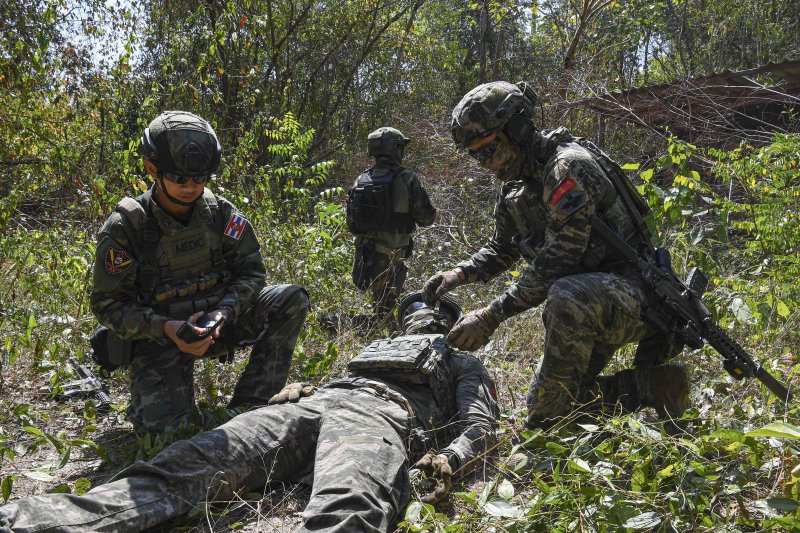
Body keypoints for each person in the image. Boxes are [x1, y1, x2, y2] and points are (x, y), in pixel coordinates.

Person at [0, 293, 498, 532]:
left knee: (349, 509)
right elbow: (340, 383)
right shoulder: (375, 347)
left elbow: (481, 424)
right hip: (312, 405)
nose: (422, 319)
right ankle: (25, 522)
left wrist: (451, 457)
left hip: (379, 419)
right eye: (415, 313)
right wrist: (306, 387)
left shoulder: (462, 360)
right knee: (181, 464)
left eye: (432, 315)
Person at [423, 81, 690, 430]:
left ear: (517, 129)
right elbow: (503, 247)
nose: (484, 163)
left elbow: (558, 259)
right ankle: (654, 386)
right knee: (557, 404)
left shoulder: (567, 168)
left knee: (564, 296)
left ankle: (543, 429)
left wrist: (491, 316)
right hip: (592, 299)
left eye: (487, 150)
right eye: (475, 155)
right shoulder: (516, 184)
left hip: (639, 299)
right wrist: (457, 275)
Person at [89, 110, 309, 435]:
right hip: (160, 339)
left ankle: (253, 404)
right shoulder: (127, 228)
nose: (190, 187)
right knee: (167, 436)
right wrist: (167, 328)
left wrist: (224, 311)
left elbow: (252, 274)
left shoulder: (220, 214)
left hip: (218, 325)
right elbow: (108, 305)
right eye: (179, 178)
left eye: (200, 178)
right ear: (153, 168)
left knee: (290, 299)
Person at [346, 127, 437, 322]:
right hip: (392, 255)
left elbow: (351, 224)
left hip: (365, 254)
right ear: (395, 148)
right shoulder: (407, 177)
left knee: (380, 305)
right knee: (385, 314)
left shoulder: (361, 180)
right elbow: (427, 218)